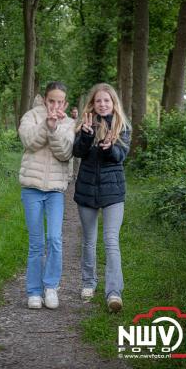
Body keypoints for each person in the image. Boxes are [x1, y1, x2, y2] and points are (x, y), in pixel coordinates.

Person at [73, 83, 131, 313]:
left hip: (113, 193)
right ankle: (88, 283)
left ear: (113, 102)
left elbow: (120, 156)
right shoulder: (85, 124)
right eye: (99, 101)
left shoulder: (123, 126)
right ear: (93, 104)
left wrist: (108, 147)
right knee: (88, 240)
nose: (103, 104)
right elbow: (77, 152)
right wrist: (86, 136)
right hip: (87, 190)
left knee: (111, 241)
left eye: (107, 100)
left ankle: (114, 293)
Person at [18, 81, 75, 310]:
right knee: (36, 242)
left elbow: (66, 154)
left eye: (60, 101)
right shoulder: (30, 116)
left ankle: (50, 287)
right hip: (31, 188)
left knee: (54, 238)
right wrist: (45, 124)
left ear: (66, 102)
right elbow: (29, 143)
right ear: (44, 99)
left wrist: (54, 129)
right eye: (52, 100)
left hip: (55, 191)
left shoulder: (70, 123)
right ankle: (33, 291)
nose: (55, 105)